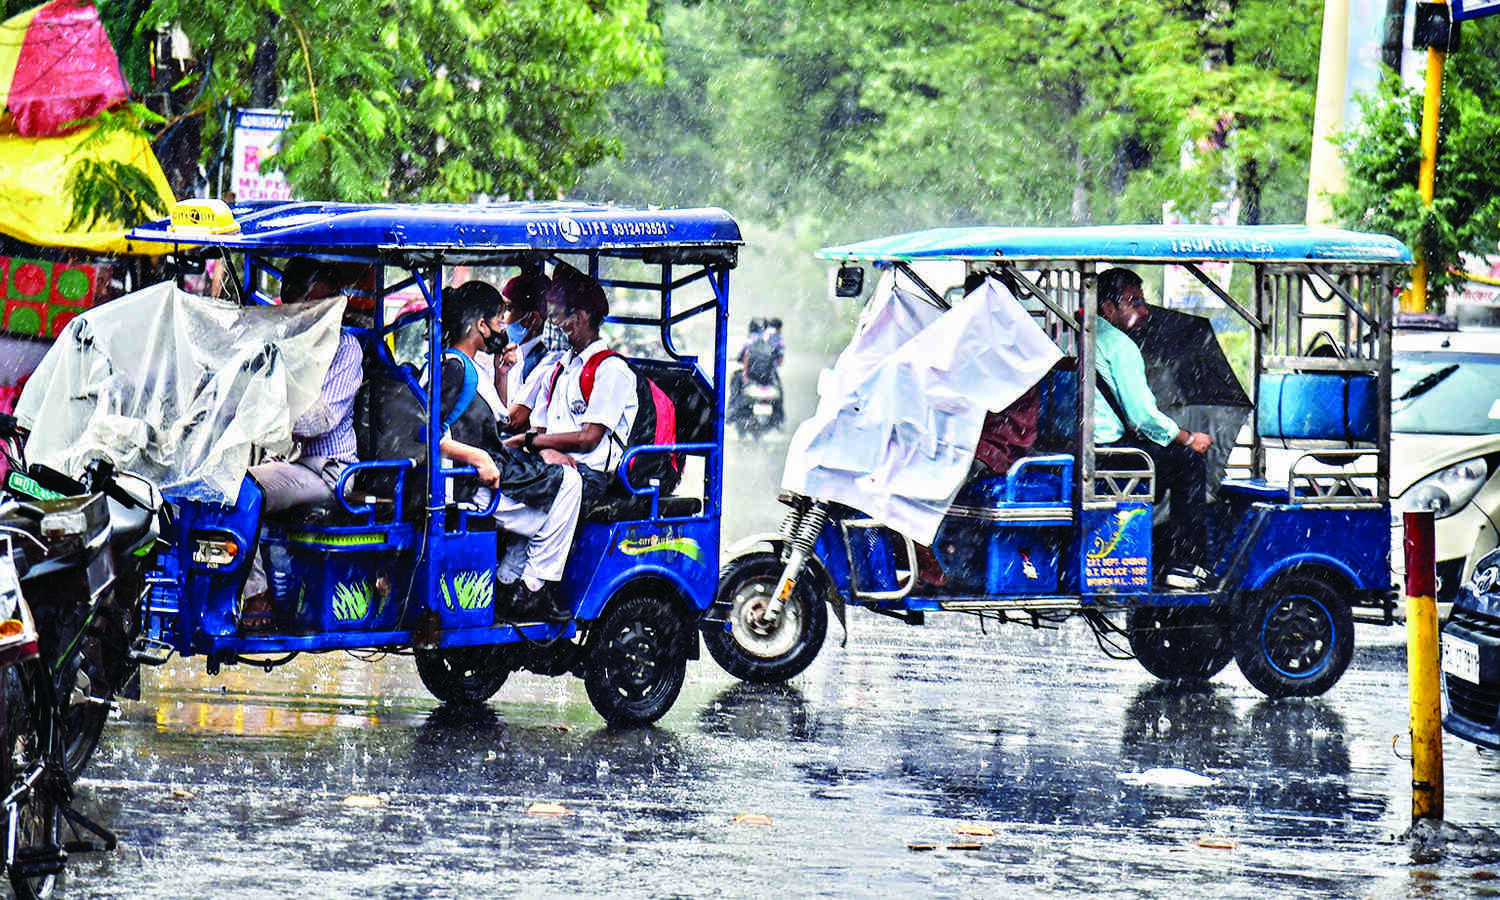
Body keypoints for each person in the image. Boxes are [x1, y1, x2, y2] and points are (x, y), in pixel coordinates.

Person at [437, 281, 583, 622]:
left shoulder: (469, 365)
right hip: (471, 482)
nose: (504, 330)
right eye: (500, 322)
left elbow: (500, 419)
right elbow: (429, 432)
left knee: (547, 509)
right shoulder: (454, 367)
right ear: (480, 325)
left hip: (487, 470)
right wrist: (478, 458)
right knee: (569, 484)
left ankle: (507, 580)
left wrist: (503, 374)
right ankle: (532, 588)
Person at [240, 258, 363, 630]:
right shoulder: (283, 346)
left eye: (328, 303)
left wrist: (264, 414)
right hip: (288, 462)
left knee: (242, 489)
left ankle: (257, 595)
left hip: (328, 472)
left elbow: (320, 419)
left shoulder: (345, 348)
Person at [1094, 267, 1214, 590]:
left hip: (1084, 452)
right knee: (1187, 462)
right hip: (1110, 457)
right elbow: (1143, 416)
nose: (1144, 311)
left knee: (1165, 461)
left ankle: (1159, 551)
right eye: (1134, 302)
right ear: (1108, 308)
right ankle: (1187, 563)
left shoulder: (1076, 336)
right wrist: (1189, 438)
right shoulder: (1119, 346)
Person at [507, 262, 638, 507]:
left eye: (555, 315)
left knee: (503, 494)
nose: (552, 324)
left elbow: (588, 439)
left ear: (578, 318)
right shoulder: (557, 370)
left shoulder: (611, 370)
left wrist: (529, 442)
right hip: (551, 467)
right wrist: (544, 451)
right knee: (492, 475)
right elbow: (540, 431)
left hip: (589, 476)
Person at [494, 265, 567, 431]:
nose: (501, 318)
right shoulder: (513, 354)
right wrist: (500, 376)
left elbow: (512, 420)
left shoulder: (549, 361)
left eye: (508, 309)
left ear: (532, 319)